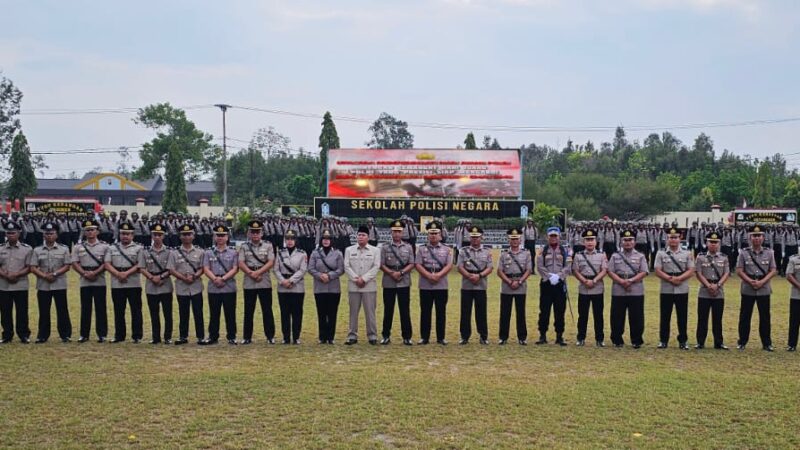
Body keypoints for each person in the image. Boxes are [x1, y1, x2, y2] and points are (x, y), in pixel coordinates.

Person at [735, 224, 777, 351]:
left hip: (764, 289)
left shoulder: (769, 253)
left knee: (765, 317)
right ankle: (742, 341)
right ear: (749, 237)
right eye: (754, 236)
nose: (756, 238)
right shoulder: (743, 253)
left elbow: (773, 270)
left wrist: (762, 282)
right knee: (745, 317)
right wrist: (750, 281)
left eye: (759, 236)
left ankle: (766, 343)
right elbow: (739, 270)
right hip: (748, 288)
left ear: (763, 237)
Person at [30, 222, 72, 343]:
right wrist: (44, 276)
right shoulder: (37, 250)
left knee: (62, 310)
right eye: (47, 233)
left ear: (57, 235)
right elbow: (33, 267)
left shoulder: (64, 249)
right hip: (43, 285)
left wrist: (54, 274)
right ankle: (42, 335)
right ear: (43, 235)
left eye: (52, 233)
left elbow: (67, 266)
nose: (49, 236)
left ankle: (65, 335)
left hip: (59, 283)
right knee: (43, 311)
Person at [654, 227, 695, 350]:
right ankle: (663, 340)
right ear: (667, 239)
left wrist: (679, 279)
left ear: (680, 238)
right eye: (671, 237)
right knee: (665, 316)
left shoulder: (687, 253)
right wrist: (670, 279)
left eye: (676, 237)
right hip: (666, 288)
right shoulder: (661, 253)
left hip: (682, 288)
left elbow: (691, 270)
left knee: (682, 316)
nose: (673, 240)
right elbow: (657, 270)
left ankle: (683, 341)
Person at [607, 230, 649, 348]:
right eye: (625, 240)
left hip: (635, 288)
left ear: (634, 242)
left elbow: (644, 271)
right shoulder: (615, 256)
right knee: (617, 316)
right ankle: (617, 339)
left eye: (630, 240)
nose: (628, 242)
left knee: (636, 316)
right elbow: (610, 271)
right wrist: (621, 281)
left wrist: (630, 281)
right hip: (618, 289)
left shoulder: (640, 256)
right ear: (621, 242)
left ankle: (636, 340)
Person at [104, 222, 144, 343]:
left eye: (128, 234)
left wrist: (126, 274)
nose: (125, 236)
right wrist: (118, 274)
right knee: (118, 310)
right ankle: (119, 335)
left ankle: (137, 336)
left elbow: (140, 264)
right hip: (117, 283)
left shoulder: (139, 248)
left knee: (136, 310)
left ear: (132, 235)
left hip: (133, 283)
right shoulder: (112, 248)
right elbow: (107, 264)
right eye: (123, 234)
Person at [415, 220, 453, 345]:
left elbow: (449, 265)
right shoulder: (421, 249)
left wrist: (438, 275)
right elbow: (418, 264)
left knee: (440, 311)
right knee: (425, 312)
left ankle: (441, 337)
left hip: (441, 284)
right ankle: (424, 337)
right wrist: (428, 275)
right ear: (428, 235)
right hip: (425, 284)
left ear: (440, 235)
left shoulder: (447, 249)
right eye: (431, 233)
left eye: (435, 233)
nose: (433, 235)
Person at [238, 220, 276, 345]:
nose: (255, 235)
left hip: (264, 279)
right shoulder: (244, 246)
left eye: (257, 232)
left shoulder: (268, 245)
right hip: (249, 280)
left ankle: (270, 336)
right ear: (249, 233)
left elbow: (271, 261)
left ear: (262, 233)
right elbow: (241, 262)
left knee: (267, 309)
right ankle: (247, 337)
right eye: (253, 232)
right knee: (249, 310)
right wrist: (251, 273)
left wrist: (258, 273)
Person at [200, 225, 239, 345]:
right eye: (218, 235)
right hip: (214, 286)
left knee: (230, 313)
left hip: (229, 286)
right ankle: (213, 336)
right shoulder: (208, 252)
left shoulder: (233, 252)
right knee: (214, 313)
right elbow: (205, 268)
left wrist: (223, 278)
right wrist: (215, 279)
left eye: (223, 235)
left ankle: (232, 336)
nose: (220, 237)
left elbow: (235, 268)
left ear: (227, 237)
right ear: (214, 237)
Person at [72, 219, 109, 343]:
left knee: (101, 308)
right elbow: (75, 263)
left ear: (97, 231)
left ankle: (102, 334)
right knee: (85, 308)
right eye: (87, 230)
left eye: (92, 230)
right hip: (85, 279)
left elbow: (106, 263)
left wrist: (95, 273)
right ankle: (84, 334)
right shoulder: (78, 247)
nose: (90, 232)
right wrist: (84, 273)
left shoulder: (105, 246)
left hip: (99, 279)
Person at [168, 223, 205, 345]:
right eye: (184, 234)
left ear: (193, 236)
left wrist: (194, 276)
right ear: (180, 236)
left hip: (196, 286)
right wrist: (184, 278)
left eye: (189, 234)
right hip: (181, 286)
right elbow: (171, 269)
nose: (186, 237)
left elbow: (202, 268)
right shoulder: (174, 253)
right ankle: (183, 336)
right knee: (183, 313)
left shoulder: (200, 252)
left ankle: (201, 337)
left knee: (198, 312)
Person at [379, 219, 415, 345]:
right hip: (389, 281)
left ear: (403, 232)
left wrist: (401, 273)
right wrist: (391, 273)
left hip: (404, 281)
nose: (397, 234)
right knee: (388, 310)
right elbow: (381, 264)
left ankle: (407, 337)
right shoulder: (384, 247)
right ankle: (385, 335)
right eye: (394, 231)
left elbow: (412, 263)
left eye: (399, 231)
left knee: (404, 310)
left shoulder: (408, 247)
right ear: (391, 232)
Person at [343, 226, 381, 345]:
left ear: (368, 237)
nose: (360, 237)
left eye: (363, 235)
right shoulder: (349, 250)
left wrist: (364, 279)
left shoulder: (375, 250)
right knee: (353, 312)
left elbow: (376, 266)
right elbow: (346, 266)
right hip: (354, 286)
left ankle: (372, 335)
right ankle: (352, 335)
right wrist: (356, 279)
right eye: (359, 235)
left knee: (370, 312)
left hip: (369, 285)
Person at [457, 226, 493, 345]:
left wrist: (479, 276)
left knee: (481, 312)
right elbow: (460, 267)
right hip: (467, 285)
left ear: (481, 238)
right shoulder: (463, 251)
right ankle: (464, 336)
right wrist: (469, 276)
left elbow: (490, 267)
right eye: (473, 237)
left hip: (481, 285)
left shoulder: (487, 251)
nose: (475, 239)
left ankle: (483, 336)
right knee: (465, 311)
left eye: (477, 237)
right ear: (469, 238)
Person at [571, 229, 607, 347]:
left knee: (598, 315)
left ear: (596, 241)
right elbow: (575, 271)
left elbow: (604, 270)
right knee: (583, 315)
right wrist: (585, 281)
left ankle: (600, 339)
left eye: (592, 240)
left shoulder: (602, 255)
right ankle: (581, 338)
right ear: (583, 242)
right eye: (587, 240)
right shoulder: (578, 255)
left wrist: (594, 280)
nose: (590, 242)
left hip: (597, 287)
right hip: (584, 287)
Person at [535, 227, 571, 345]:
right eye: (551, 236)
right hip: (546, 283)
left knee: (560, 310)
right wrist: (550, 277)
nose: (553, 238)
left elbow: (568, 266)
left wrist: (559, 276)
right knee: (544, 310)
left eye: (555, 236)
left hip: (560, 284)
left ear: (559, 237)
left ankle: (559, 336)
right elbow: (539, 266)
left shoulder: (564, 250)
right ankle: (542, 335)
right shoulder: (543, 250)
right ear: (547, 237)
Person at [695, 231, 730, 350]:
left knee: (717, 319)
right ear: (706, 243)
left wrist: (718, 285)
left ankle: (718, 342)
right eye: (711, 242)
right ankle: (700, 342)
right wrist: (708, 285)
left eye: (716, 242)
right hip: (704, 291)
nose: (713, 244)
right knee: (702, 318)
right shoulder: (700, 257)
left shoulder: (724, 258)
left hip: (719, 291)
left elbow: (726, 273)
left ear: (719, 244)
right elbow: (698, 273)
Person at [308, 229, 344, 344]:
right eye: (324, 239)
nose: (326, 241)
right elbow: (310, 268)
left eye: (328, 239)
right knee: (321, 313)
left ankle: (330, 337)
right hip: (320, 287)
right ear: (321, 240)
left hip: (333, 287)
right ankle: (322, 337)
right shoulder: (315, 253)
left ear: (331, 240)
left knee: (332, 313)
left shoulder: (338, 253)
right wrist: (320, 275)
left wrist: (329, 275)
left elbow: (341, 269)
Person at [139, 223, 174, 344]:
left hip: (165, 284)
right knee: (154, 313)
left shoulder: (169, 251)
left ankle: (168, 337)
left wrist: (160, 277)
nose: (157, 237)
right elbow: (142, 267)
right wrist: (151, 277)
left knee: (167, 313)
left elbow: (171, 269)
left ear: (163, 236)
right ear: (152, 235)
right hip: (151, 284)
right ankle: (155, 337)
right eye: (155, 234)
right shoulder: (145, 251)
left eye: (160, 235)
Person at [496, 227, 532, 345]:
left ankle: (522, 337)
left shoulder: (526, 253)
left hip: (520, 286)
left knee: (520, 313)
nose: (515, 241)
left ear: (520, 239)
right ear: (509, 240)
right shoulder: (503, 254)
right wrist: (509, 282)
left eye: (516, 238)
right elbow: (499, 271)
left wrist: (519, 281)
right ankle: (503, 337)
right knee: (505, 313)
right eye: (512, 239)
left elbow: (528, 270)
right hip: (507, 286)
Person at [0, 222, 33, 343]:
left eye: (13, 233)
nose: (10, 235)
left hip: (20, 284)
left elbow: (30, 267)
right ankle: (7, 335)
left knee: (22, 311)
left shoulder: (27, 249)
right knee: (5, 311)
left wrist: (16, 275)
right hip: (4, 285)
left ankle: (23, 334)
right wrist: (6, 275)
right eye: (8, 233)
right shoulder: (1, 248)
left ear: (19, 233)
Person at [274, 230, 307, 344]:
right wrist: (283, 281)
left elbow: (303, 270)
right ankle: (286, 337)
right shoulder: (279, 253)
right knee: (284, 313)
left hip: (297, 287)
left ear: (295, 240)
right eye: (287, 239)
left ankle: (296, 337)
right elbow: (276, 269)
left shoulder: (302, 253)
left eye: (292, 239)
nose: (289, 241)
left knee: (297, 313)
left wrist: (291, 281)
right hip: (283, 287)